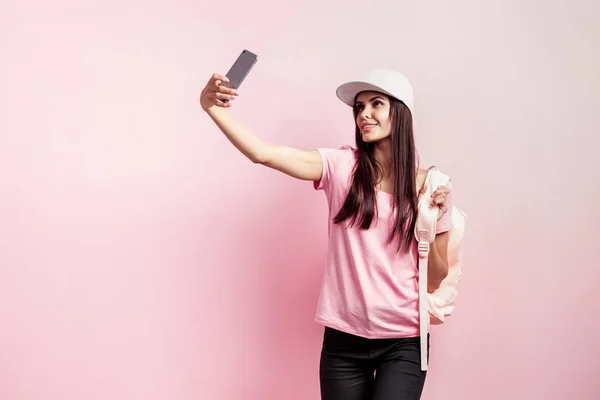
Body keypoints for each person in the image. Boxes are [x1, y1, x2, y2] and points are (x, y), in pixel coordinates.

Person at [199, 68, 453, 400]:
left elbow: (435, 278)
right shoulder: (340, 167)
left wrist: (427, 224)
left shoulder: (433, 186)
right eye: (359, 107)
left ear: (401, 112)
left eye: (376, 104)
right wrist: (212, 107)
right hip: (343, 341)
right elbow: (263, 154)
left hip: (403, 342)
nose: (364, 114)